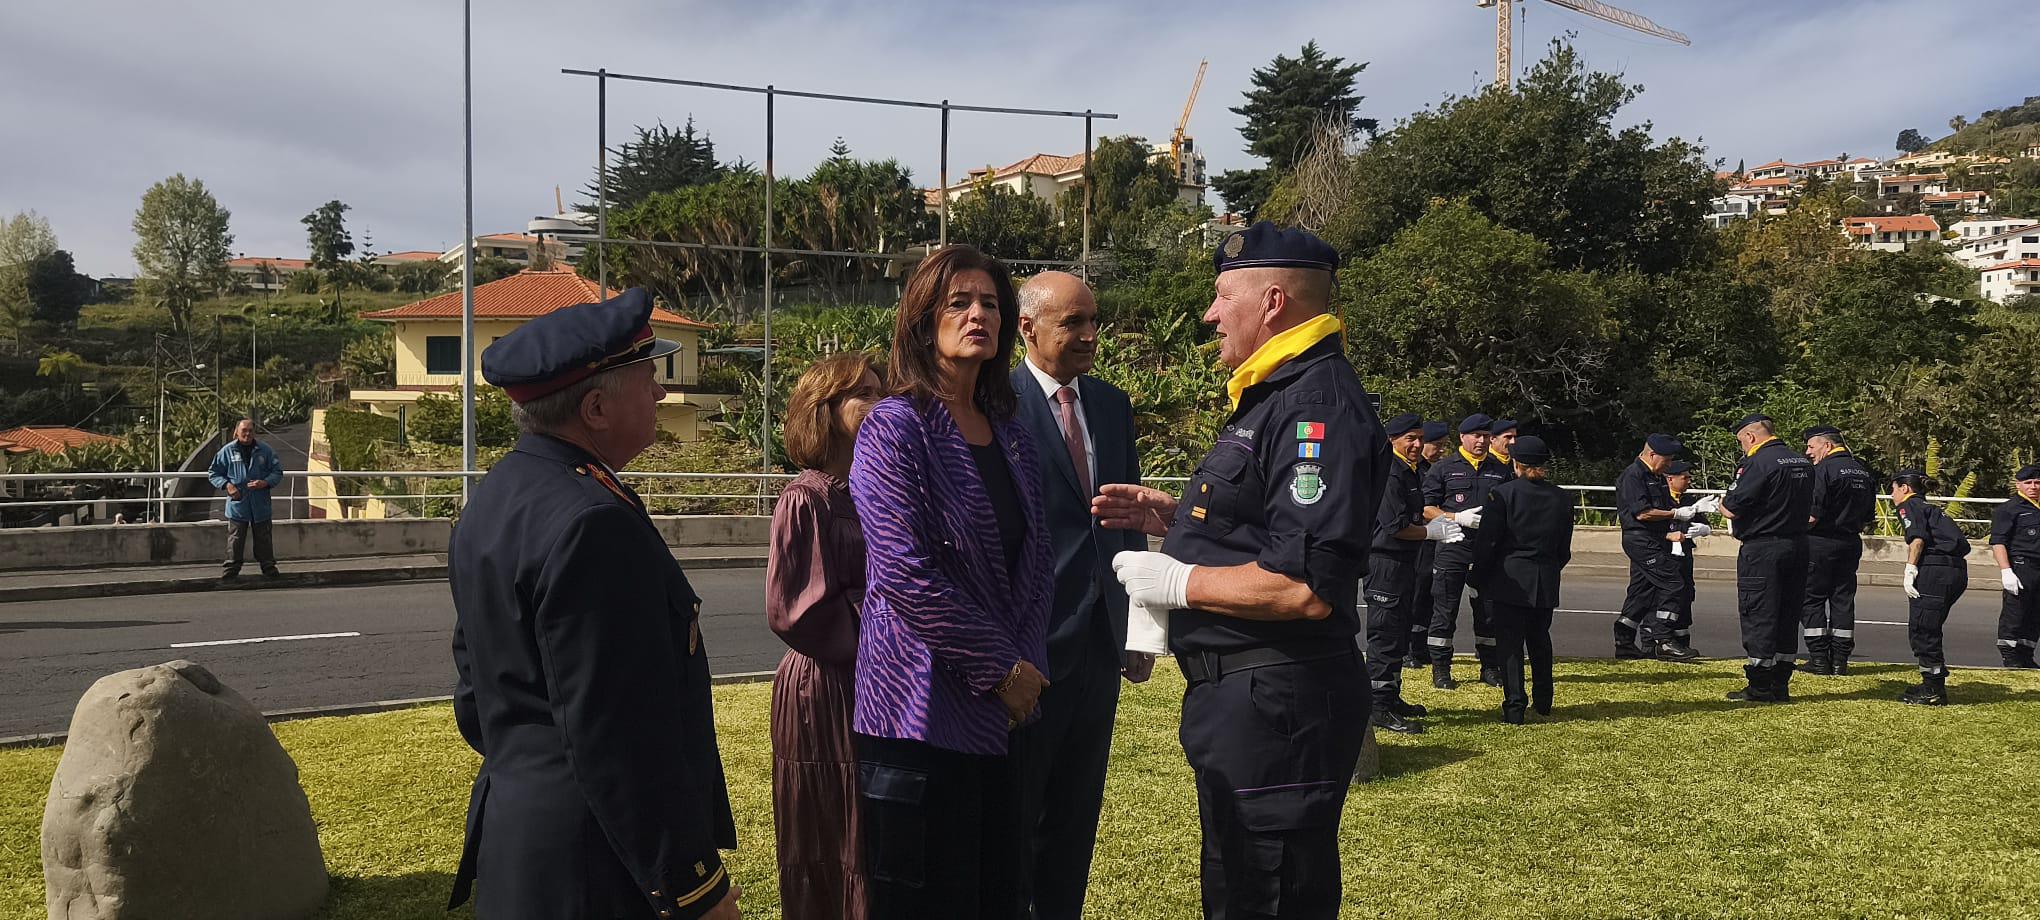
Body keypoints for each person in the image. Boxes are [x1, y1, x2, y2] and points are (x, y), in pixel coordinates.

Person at [1097, 222, 1385, 919]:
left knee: (1268, 891)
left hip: (1277, 704)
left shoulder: (1313, 408)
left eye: (1225, 296)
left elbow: (1303, 585)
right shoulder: (1274, 395)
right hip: (1252, 705)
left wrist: (1176, 581)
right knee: (1238, 887)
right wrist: (1184, 521)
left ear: (1275, 302)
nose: (1210, 313)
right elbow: (1269, 527)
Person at [448, 288, 739, 920]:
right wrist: (693, 885)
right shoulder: (592, 522)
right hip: (596, 865)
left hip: (522, 842)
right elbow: (621, 734)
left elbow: (476, 696)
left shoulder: (496, 498)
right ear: (598, 407)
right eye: (648, 377)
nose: (660, 394)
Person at [847, 244, 1051, 920]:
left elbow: (1037, 558)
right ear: (921, 319)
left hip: (1002, 712)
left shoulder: (1010, 433)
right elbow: (905, 574)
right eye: (959, 302)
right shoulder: (893, 429)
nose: (977, 315)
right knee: (927, 902)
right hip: (918, 713)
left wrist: (1026, 669)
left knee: (997, 894)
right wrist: (1002, 667)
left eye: (990, 303)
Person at [1005, 271, 1146, 920]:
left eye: (1094, 320)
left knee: (1074, 816)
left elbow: (1129, 523)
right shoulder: (995, 406)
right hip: (1026, 653)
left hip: (1098, 650)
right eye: (1073, 323)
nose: (1090, 334)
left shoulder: (1113, 406)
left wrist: (1138, 628)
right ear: (1028, 328)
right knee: (1016, 815)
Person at [767, 352, 884, 920]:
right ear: (825, 409)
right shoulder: (807, 497)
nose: (879, 401)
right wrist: (886, 637)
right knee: (830, 832)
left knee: (872, 829)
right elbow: (798, 611)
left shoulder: (876, 490)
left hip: (877, 681)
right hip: (826, 686)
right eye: (863, 393)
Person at [1366, 413, 1461, 734]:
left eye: (1420, 438)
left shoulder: (1409, 472)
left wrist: (1436, 525)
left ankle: (1390, 697)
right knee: (1384, 636)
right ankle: (1377, 707)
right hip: (1385, 564)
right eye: (1410, 438)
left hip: (1404, 563)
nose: (1418, 444)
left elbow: (1416, 514)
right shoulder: (1390, 474)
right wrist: (1433, 533)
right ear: (1393, 440)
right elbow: (1395, 527)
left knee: (1399, 633)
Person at [1471, 436, 1573, 724]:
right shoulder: (1561, 497)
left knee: (1510, 645)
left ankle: (1514, 706)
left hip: (1510, 578)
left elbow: (1488, 542)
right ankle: (1544, 700)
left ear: (1516, 464)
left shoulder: (1502, 494)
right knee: (1540, 639)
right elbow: (1563, 548)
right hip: (1545, 576)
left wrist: (1478, 576)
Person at [1719, 414, 1814, 703]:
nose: (1742, 449)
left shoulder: (1758, 463)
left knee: (1759, 613)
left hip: (1763, 548)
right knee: (1788, 614)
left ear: (1750, 437)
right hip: (1798, 545)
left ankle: (1759, 684)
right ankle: (1780, 683)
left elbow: (1733, 508)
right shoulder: (1801, 461)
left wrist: (1719, 505)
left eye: (1740, 443)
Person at [1422, 413, 1513, 688]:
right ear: (1463, 437)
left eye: (1486, 436)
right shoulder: (1444, 468)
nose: (1482, 441)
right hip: (1452, 547)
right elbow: (1426, 508)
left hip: (1487, 551)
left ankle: (1489, 667)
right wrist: (1455, 517)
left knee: (1488, 611)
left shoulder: (1500, 469)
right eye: (1476, 436)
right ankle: (1441, 668)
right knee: (1444, 610)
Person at [1613, 434, 1710, 661]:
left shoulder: (1653, 476)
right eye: (1666, 460)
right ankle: (1663, 639)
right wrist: (1675, 513)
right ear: (1651, 454)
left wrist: (1688, 517)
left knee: (1642, 590)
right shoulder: (1634, 476)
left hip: (1654, 538)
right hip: (1641, 540)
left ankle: (1624, 640)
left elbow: (1662, 512)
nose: (1668, 466)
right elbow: (1643, 512)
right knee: (1674, 582)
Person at [1799, 426, 1878, 675]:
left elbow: (1811, 515)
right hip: (1850, 542)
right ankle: (1840, 660)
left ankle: (1819, 659)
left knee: (1811, 599)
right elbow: (1868, 515)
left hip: (1820, 542)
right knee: (1843, 599)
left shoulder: (1822, 470)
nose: (1807, 452)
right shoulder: (1863, 471)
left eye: (1811, 446)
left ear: (1828, 445)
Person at [1892, 470, 1970, 705]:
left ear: (1905, 488)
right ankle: (1931, 682)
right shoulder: (1930, 508)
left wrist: (1909, 570)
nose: (1892, 495)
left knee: (1923, 628)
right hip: (1953, 571)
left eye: (1893, 489)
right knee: (1928, 626)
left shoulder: (1909, 506)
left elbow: (1917, 540)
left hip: (1935, 570)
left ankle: (1933, 689)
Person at [208, 418, 284, 581]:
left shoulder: (265, 451)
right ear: (236, 432)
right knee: (235, 538)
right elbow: (213, 473)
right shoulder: (226, 451)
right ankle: (231, 569)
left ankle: (268, 566)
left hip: (260, 503)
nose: (247, 434)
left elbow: (277, 472)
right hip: (238, 504)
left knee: (263, 537)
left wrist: (265, 482)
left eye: (250, 430)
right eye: (244, 431)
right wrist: (227, 486)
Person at [1405, 420, 1454, 670]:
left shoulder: (1439, 469)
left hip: (1432, 540)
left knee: (1427, 595)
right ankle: (1406, 648)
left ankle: (1420, 646)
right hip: (1414, 537)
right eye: (1438, 445)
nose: (1442, 450)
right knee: (1412, 594)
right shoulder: (1412, 469)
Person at [1991, 464, 2040, 668]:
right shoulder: (2009, 509)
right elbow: (1998, 542)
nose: (2033, 487)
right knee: (2016, 611)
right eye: (2028, 483)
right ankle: (2010, 654)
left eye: (2037, 482)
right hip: (2021, 565)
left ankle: (2026, 654)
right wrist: (2006, 571)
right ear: (2018, 484)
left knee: (2035, 613)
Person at [1663, 461, 1708, 653]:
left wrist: (1704, 529)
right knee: (1666, 596)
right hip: (1665, 555)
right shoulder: (1662, 500)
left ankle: (1682, 640)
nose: (1689, 481)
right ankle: (1660, 640)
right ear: (1670, 479)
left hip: (1684, 554)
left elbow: (1702, 523)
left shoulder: (1688, 501)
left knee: (1686, 594)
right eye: (1685, 477)